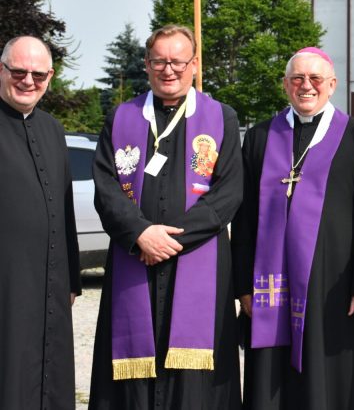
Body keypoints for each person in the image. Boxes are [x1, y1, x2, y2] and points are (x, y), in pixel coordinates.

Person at [90, 25, 243, 409]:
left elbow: (228, 193)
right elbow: (106, 187)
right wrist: (140, 233)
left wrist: (169, 240)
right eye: (159, 61)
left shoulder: (221, 118)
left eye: (177, 61)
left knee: (195, 384)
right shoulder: (121, 117)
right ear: (147, 64)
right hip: (134, 256)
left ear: (194, 64)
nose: (168, 69)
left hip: (198, 260)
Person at [232, 47, 354, 409]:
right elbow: (243, 217)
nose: (306, 86)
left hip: (336, 287)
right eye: (297, 78)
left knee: (331, 377)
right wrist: (243, 286)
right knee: (273, 379)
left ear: (332, 84)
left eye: (315, 78)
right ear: (285, 84)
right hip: (272, 284)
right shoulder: (260, 137)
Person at [0, 36, 81, 410]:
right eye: (19, 72)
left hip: (51, 285)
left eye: (38, 74)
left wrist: (72, 279)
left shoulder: (52, 129)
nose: (28, 81)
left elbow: (64, 208)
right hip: (8, 285)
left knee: (51, 379)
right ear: (2, 70)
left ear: (50, 76)